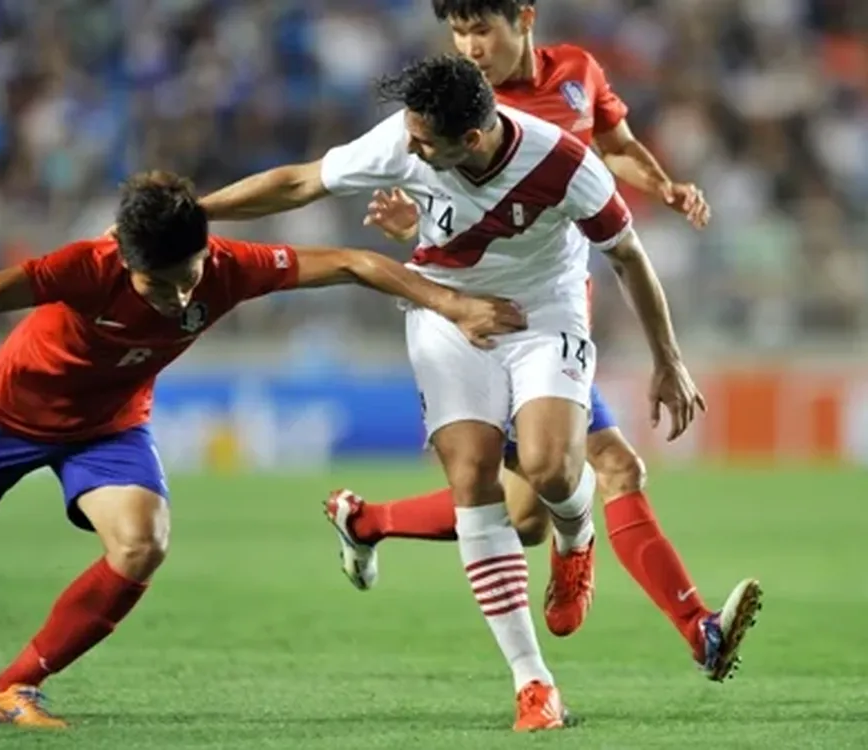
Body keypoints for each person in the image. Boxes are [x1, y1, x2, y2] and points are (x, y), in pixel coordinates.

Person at [0, 170, 523, 729]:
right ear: (124, 259)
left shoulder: (230, 267)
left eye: (191, 276)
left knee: (141, 543)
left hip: (109, 428)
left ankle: (14, 687)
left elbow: (352, 263)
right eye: (163, 285)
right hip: (6, 416)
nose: (183, 296)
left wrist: (450, 303)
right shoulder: (85, 268)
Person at [199, 54, 703, 731]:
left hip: (543, 315)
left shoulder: (564, 165)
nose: (407, 146)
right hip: (444, 310)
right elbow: (298, 182)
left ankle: (575, 535)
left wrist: (668, 360)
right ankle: (533, 685)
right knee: (473, 477)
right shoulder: (403, 140)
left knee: (554, 470)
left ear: (471, 140)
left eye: (421, 141)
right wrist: (193, 213)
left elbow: (628, 255)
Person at [327, 0, 761, 684]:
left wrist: (665, 186)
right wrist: (413, 222)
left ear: (524, 17)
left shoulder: (576, 74)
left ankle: (368, 520)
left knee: (528, 510)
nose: (468, 45)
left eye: (480, 27)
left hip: (557, 319)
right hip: (489, 323)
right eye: (458, 30)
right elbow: (437, 207)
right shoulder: (464, 112)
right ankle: (699, 628)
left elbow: (612, 149)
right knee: (604, 473)